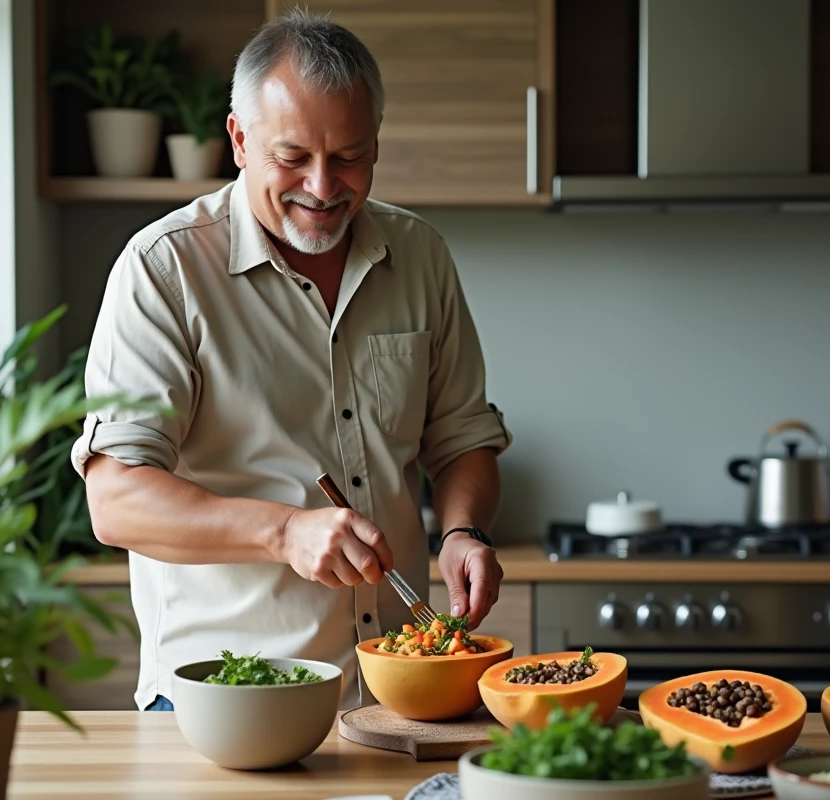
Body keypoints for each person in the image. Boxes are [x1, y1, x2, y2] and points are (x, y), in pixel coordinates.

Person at [70, 9, 512, 712]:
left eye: (348, 156)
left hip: (398, 698)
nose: (322, 185)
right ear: (240, 140)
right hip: (227, 700)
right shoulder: (164, 269)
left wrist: (463, 531)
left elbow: (461, 438)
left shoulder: (420, 255)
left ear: (376, 144)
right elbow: (115, 500)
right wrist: (283, 531)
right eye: (292, 157)